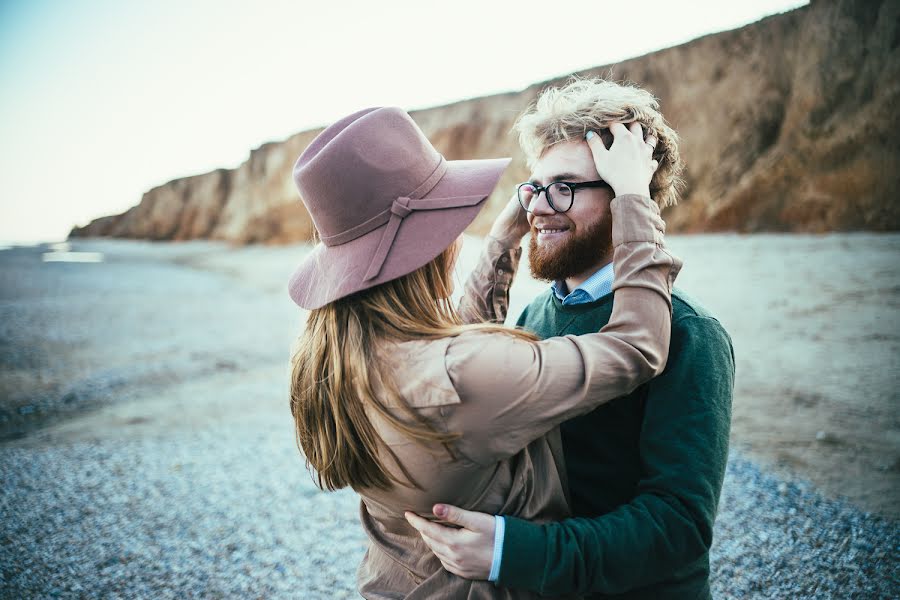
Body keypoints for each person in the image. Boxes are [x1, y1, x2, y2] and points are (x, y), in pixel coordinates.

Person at [287, 105, 682, 598]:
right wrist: (631, 197)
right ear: (427, 244)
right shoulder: (465, 373)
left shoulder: (332, 361)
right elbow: (636, 346)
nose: (540, 205)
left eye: (561, 189)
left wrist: (504, 239)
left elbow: (456, 352)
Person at [406, 78, 735, 599]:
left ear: (628, 201)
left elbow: (679, 526)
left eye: (566, 187)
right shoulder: (537, 312)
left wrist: (513, 552)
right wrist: (506, 234)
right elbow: (460, 350)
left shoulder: (691, 333)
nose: (538, 205)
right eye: (535, 187)